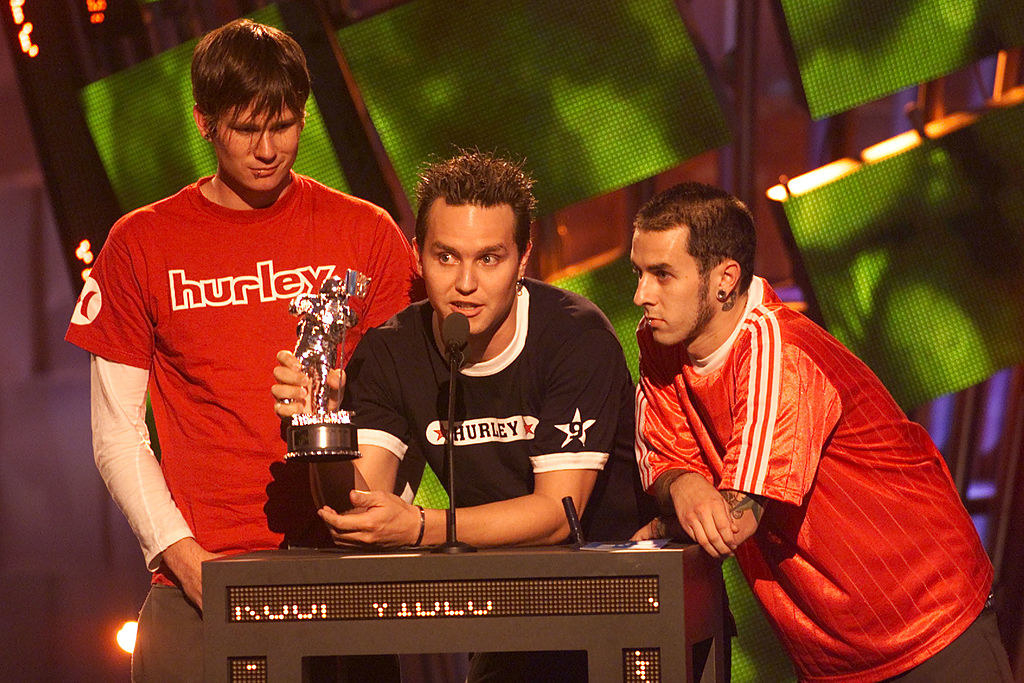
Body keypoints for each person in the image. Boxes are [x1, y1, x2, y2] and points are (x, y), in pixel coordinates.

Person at [65, 19, 419, 681]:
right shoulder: (140, 243)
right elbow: (115, 432)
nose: (266, 149)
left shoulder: (366, 232)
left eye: (283, 126)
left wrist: (382, 515)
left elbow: (410, 405)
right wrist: (185, 557)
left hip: (342, 578)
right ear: (204, 121)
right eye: (244, 128)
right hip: (196, 583)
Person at [273, 150, 650, 680]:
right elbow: (360, 507)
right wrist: (323, 427)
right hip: (506, 618)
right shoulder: (391, 350)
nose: (465, 284)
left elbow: (557, 516)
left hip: (620, 612)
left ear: (523, 259)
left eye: (489, 258)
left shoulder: (575, 336)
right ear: (417, 256)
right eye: (445, 257)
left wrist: (421, 528)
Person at [628, 182, 1012, 682]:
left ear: (725, 279)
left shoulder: (777, 351)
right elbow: (663, 457)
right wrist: (683, 484)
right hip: (829, 650)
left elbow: (733, 520)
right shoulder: (658, 342)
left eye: (662, 275)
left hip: (925, 620)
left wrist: (669, 520)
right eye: (638, 273)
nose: (641, 295)